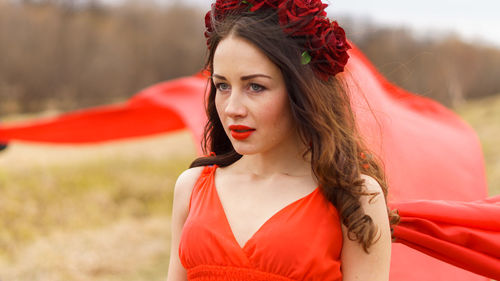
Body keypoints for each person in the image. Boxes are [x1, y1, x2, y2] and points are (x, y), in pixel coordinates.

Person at [167, 0, 398, 280]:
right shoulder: (191, 187)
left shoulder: (356, 200)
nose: (232, 108)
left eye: (255, 86)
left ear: (301, 90)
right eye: (222, 86)